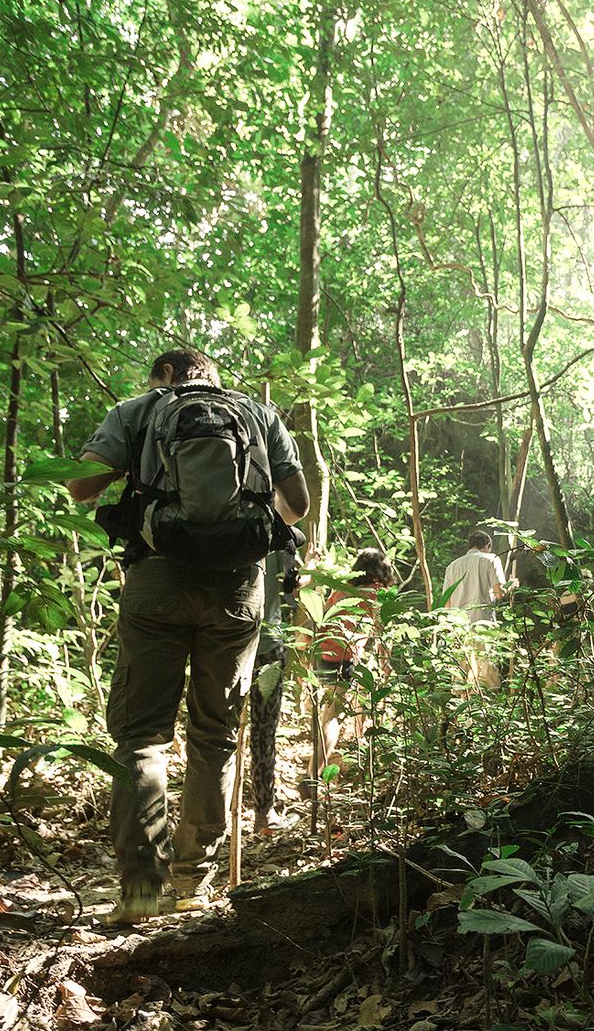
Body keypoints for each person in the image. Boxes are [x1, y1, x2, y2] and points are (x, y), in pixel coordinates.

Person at [65, 348, 308, 923]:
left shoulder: (138, 411)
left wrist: (137, 476)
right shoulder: (258, 414)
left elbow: (80, 486)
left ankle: (140, 890)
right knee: (214, 735)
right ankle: (192, 882)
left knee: (141, 736)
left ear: (168, 374)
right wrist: (236, 522)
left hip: (157, 580)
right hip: (238, 587)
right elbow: (296, 507)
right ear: (213, 378)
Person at [303, 547, 397, 794]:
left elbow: (322, 617)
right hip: (344, 657)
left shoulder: (343, 590)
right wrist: (386, 663)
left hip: (323, 654)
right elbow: (382, 633)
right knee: (333, 717)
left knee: (330, 712)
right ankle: (312, 776)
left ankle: (317, 770)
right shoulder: (376, 594)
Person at [248, 547, 299, 835]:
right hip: (267, 644)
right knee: (263, 731)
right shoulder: (278, 531)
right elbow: (291, 589)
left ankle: (211, 821)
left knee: (216, 732)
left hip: (223, 637)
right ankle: (263, 813)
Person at [441, 530, 508, 688]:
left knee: (461, 675)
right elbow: (499, 593)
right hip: (482, 624)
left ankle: (462, 701)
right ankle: (486, 701)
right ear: (488, 545)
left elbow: (446, 605)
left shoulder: (452, 566)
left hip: (459, 628)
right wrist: (511, 585)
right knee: (486, 674)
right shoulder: (491, 559)